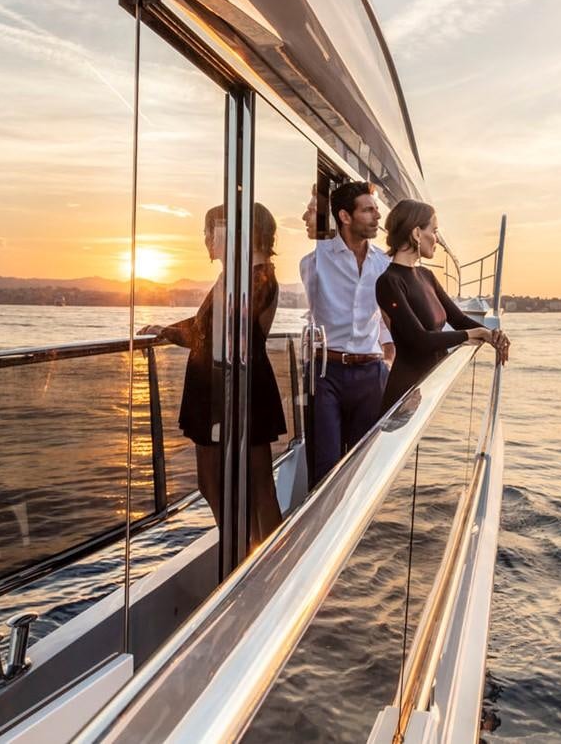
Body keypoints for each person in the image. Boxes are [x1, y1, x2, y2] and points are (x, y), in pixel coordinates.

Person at [139, 203, 285, 551]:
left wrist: (167, 330)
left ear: (232, 233)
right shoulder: (247, 276)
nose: (206, 239)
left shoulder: (253, 277)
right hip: (232, 383)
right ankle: (252, 551)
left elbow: (212, 332)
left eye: (210, 230)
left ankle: (246, 554)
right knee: (251, 481)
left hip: (231, 386)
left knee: (230, 482)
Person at [376, 200, 508, 412]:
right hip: (405, 394)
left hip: (430, 386)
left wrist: (493, 335)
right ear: (417, 233)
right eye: (434, 231)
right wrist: (476, 332)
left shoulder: (426, 276)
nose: (437, 239)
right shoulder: (388, 282)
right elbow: (419, 340)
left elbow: (458, 320)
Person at [300, 180, 393, 482]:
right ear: (345, 216)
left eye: (376, 210)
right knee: (325, 467)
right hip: (326, 372)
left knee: (363, 465)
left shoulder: (383, 264)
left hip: (371, 374)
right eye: (368, 210)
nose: (377, 217)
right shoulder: (316, 260)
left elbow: (387, 318)